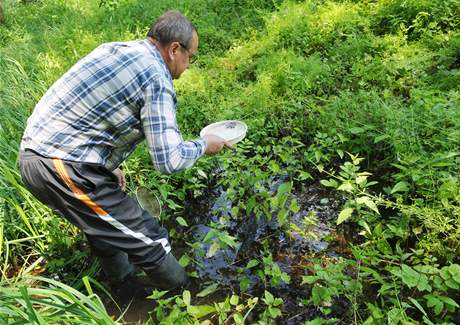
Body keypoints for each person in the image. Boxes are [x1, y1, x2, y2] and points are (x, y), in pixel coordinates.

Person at [19, 11, 230, 291]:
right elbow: (169, 160)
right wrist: (206, 145)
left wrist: (103, 163)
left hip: (42, 153)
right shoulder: (156, 78)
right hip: (59, 165)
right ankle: (187, 297)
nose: (189, 65)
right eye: (191, 57)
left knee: (106, 228)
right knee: (149, 239)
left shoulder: (116, 49)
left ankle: (122, 288)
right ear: (174, 49)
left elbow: (90, 110)